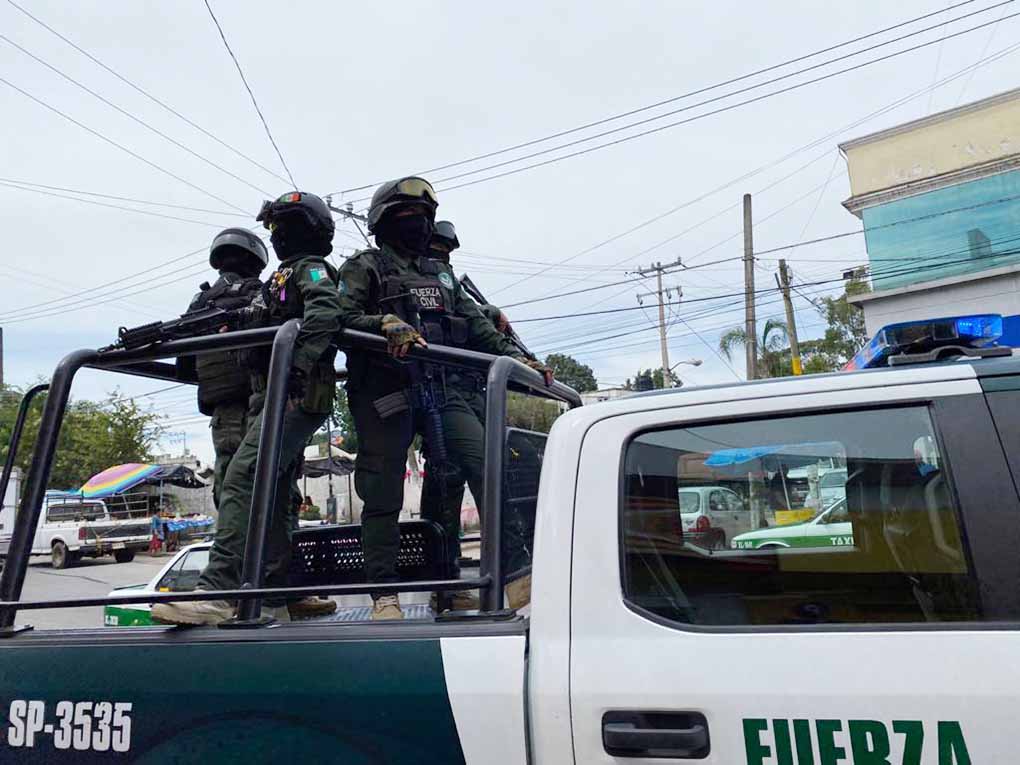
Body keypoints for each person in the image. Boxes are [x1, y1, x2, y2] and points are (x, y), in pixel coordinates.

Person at [336, 177, 553, 620]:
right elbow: (336, 318)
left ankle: (506, 576)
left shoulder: (441, 275)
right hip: (385, 391)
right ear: (383, 222)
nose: (416, 224)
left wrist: (520, 359)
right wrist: (382, 324)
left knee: (486, 464)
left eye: (422, 216)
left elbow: (479, 328)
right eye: (406, 215)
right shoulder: (365, 266)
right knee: (383, 492)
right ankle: (384, 594)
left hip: (440, 388)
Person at [153, 191, 342, 626]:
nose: (278, 234)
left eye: (286, 226)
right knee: (270, 492)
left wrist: (295, 365)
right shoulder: (276, 280)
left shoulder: (310, 268)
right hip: (266, 394)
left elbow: (325, 311)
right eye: (274, 226)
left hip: (292, 393)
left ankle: (218, 591)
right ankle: (277, 589)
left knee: (242, 477)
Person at [419, 220, 536, 612]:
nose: (441, 257)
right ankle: (499, 576)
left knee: (482, 474)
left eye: (446, 251)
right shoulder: (408, 280)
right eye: (436, 248)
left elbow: (476, 324)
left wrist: (493, 321)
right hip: (438, 392)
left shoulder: (452, 288)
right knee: (467, 479)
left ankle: (459, 582)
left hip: (472, 392)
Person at [177, 228, 268, 510]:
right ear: (255, 261)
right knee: (262, 478)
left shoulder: (199, 302)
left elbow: (184, 365)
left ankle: (233, 534)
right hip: (256, 400)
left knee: (230, 481)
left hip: (221, 410)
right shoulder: (257, 293)